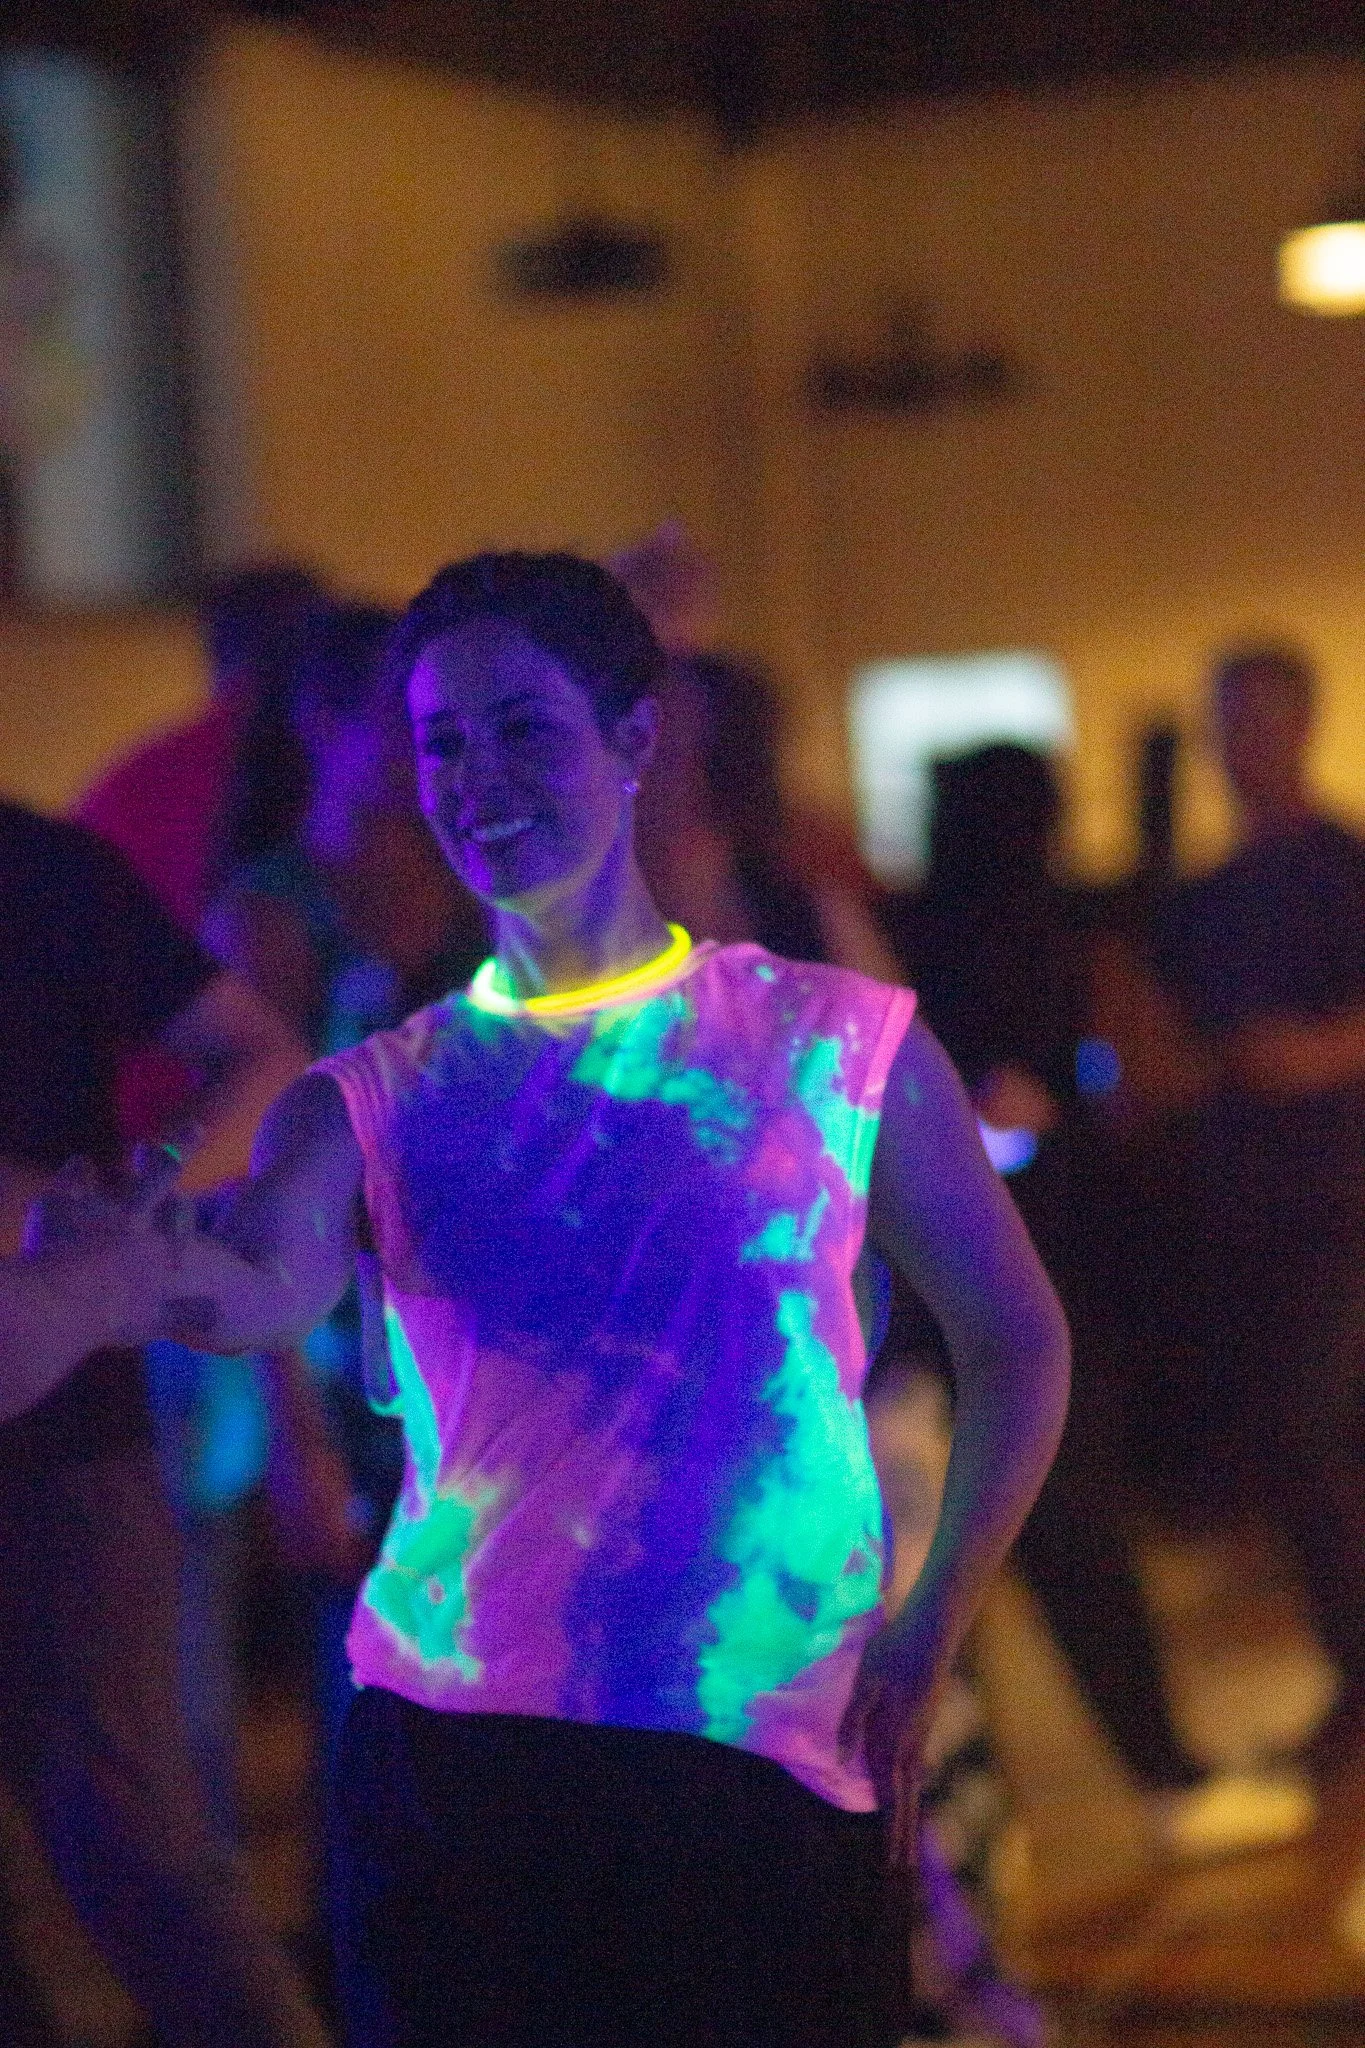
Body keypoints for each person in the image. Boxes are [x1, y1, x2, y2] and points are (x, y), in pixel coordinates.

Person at [5, 553, 1070, 2048]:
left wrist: (933, 1614)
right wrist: (107, 1273)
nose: (476, 776)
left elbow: (1017, 1340)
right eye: (442, 742)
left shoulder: (828, 1042)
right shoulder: (380, 1089)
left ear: (635, 741)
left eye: (524, 729)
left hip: (752, 1746)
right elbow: (253, 1284)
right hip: (460, 1765)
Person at [0, 799, 328, 2047]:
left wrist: (133, 1208)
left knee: (138, 1851)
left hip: (66, 1451)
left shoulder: (35, 865)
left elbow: (262, 1052)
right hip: (76, 1433)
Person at [1150, 643, 1365, 1782]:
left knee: (1309, 1429)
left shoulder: (1345, 866)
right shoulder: (1207, 895)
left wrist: (1318, 1054)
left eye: (1262, 721)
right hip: (1247, 1199)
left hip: (1337, 1194)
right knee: (1294, 1444)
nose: (1243, 747)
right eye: (1228, 724)